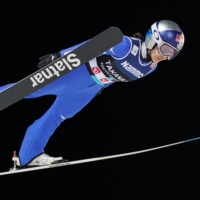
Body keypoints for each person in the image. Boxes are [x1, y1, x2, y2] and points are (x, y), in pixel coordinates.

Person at [0, 20, 185, 167]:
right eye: (166, 49)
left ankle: (29, 156)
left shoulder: (151, 68)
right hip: (75, 74)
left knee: (56, 117)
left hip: (90, 89)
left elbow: (117, 76)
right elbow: (92, 46)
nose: (166, 56)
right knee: (26, 89)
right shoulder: (126, 45)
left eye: (173, 54)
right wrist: (61, 56)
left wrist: (101, 88)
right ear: (153, 38)